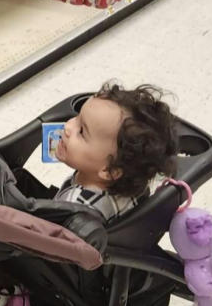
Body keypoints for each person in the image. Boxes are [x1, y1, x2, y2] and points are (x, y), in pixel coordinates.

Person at [51, 83, 177, 220]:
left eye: (81, 131)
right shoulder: (135, 182)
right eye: (77, 117)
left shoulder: (72, 207)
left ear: (110, 171)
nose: (68, 126)